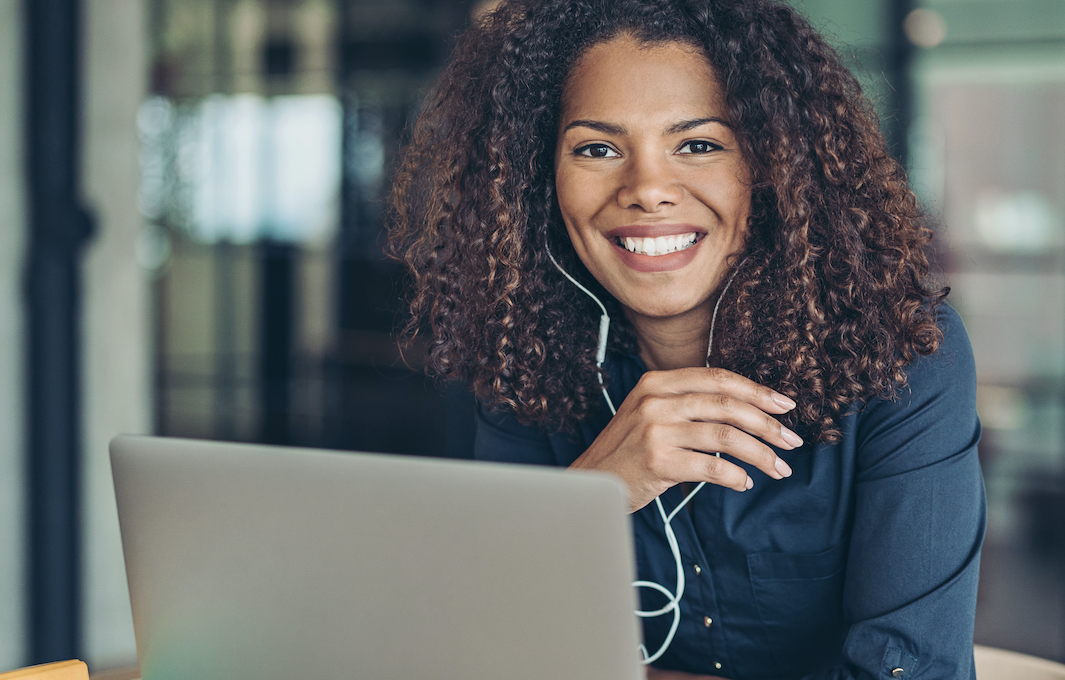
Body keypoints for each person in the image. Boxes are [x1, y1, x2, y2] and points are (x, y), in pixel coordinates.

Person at [387, 0, 984, 678]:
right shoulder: (526, 357)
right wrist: (593, 496)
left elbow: (914, 670)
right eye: (597, 148)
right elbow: (479, 645)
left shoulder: (900, 354)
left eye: (698, 144)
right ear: (538, 179)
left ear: (768, 164)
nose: (646, 189)